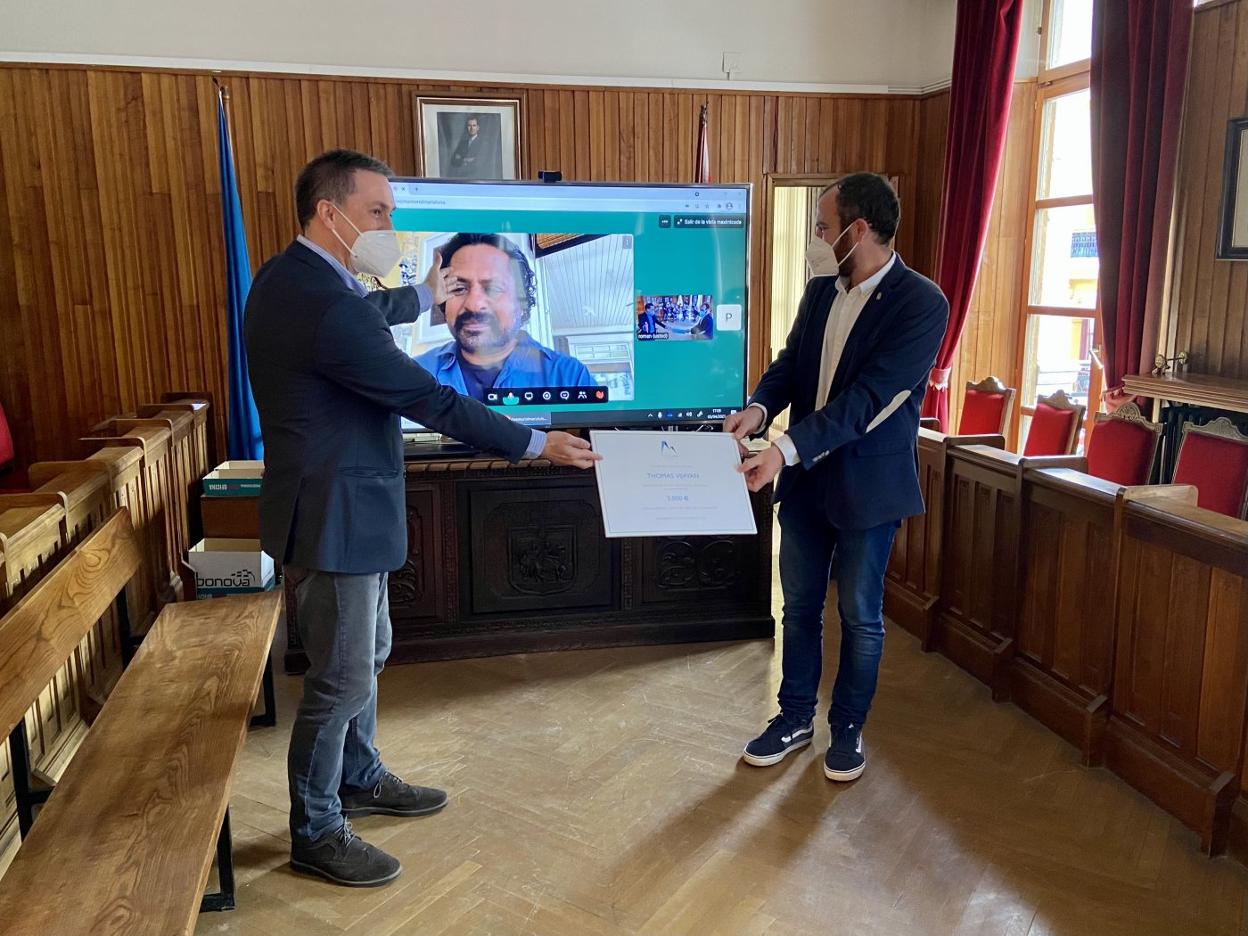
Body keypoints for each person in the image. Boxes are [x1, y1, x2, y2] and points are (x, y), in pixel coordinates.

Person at [244, 149, 600, 889]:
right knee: (340, 680)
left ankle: (361, 776)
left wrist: (416, 299)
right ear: (328, 212)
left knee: (366, 656)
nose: (388, 225)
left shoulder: (291, 278)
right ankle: (315, 829)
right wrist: (536, 443)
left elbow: (362, 311)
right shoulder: (325, 303)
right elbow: (430, 399)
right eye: (378, 211)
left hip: (332, 507)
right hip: (336, 516)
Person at [724, 172, 948, 784]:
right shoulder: (821, 290)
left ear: (858, 230)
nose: (816, 240)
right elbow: (791, 363)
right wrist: (760, 408)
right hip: (803, 486)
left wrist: (783, 449)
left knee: (859, 614)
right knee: (798, 607)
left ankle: (847, 729)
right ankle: (794, 717)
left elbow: (870, 400)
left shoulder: (921, 303)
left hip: (867, 491)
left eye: (823, 228)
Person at [415, 233, 597, 401]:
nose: (474, 304)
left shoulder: (570, 377)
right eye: (458, 288)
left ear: (522, 304)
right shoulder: (414, 372)